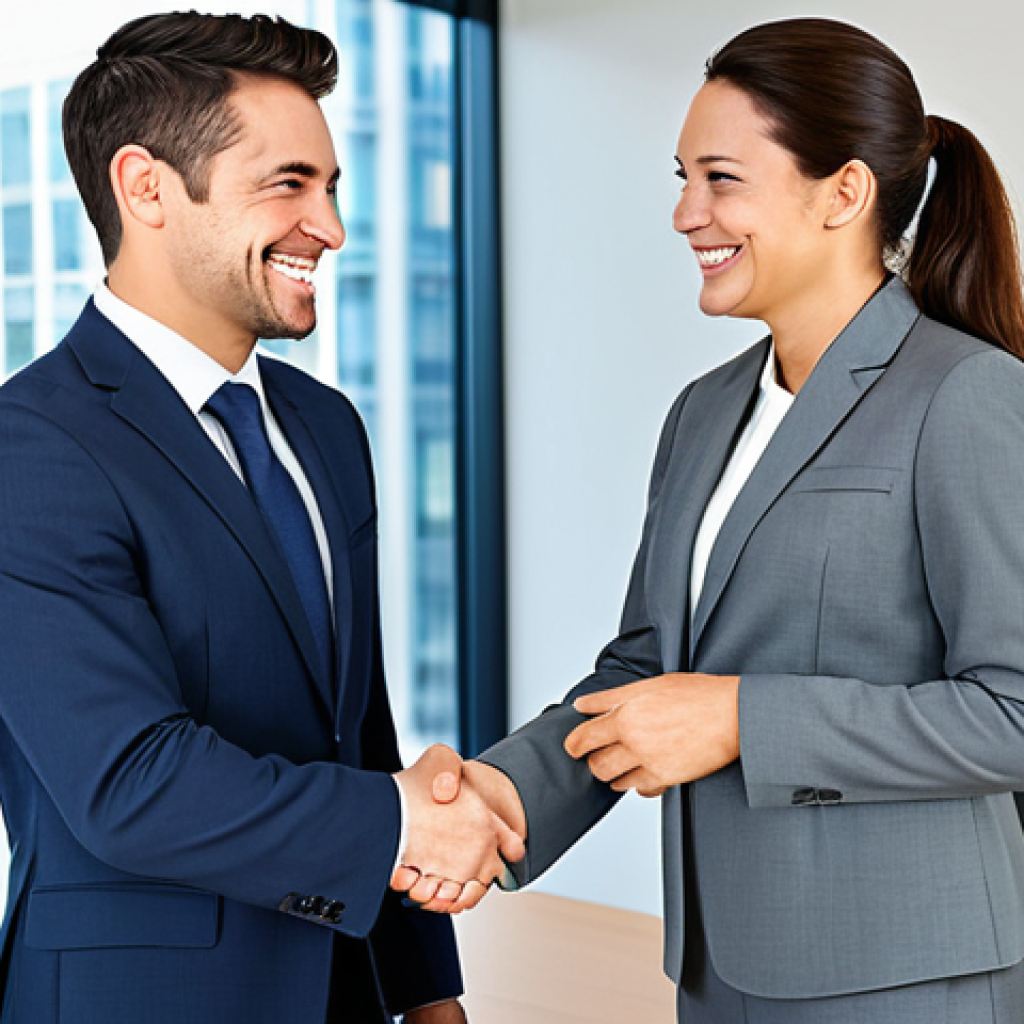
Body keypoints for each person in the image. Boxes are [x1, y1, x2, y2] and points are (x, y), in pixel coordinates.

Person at [393, 16, 1024, 1023]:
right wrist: (502, 796)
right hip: (717, 972)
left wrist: (740, 717)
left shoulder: (966, 395)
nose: (687, 212)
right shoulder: (705, 410)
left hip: (907, 978)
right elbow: (646, 670)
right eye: (680, 177)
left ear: (845, 193)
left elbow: (1011, 710)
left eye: (720, 178)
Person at [0, 12, 523, 1024]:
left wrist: (426, 991)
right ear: (144, 187)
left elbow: (357, 732)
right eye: (288, 185)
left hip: (344, 987)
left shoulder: (326, 427)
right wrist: (403, 821)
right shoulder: (31, 445)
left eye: (330, 188)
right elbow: (128, 780)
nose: (328, 228)